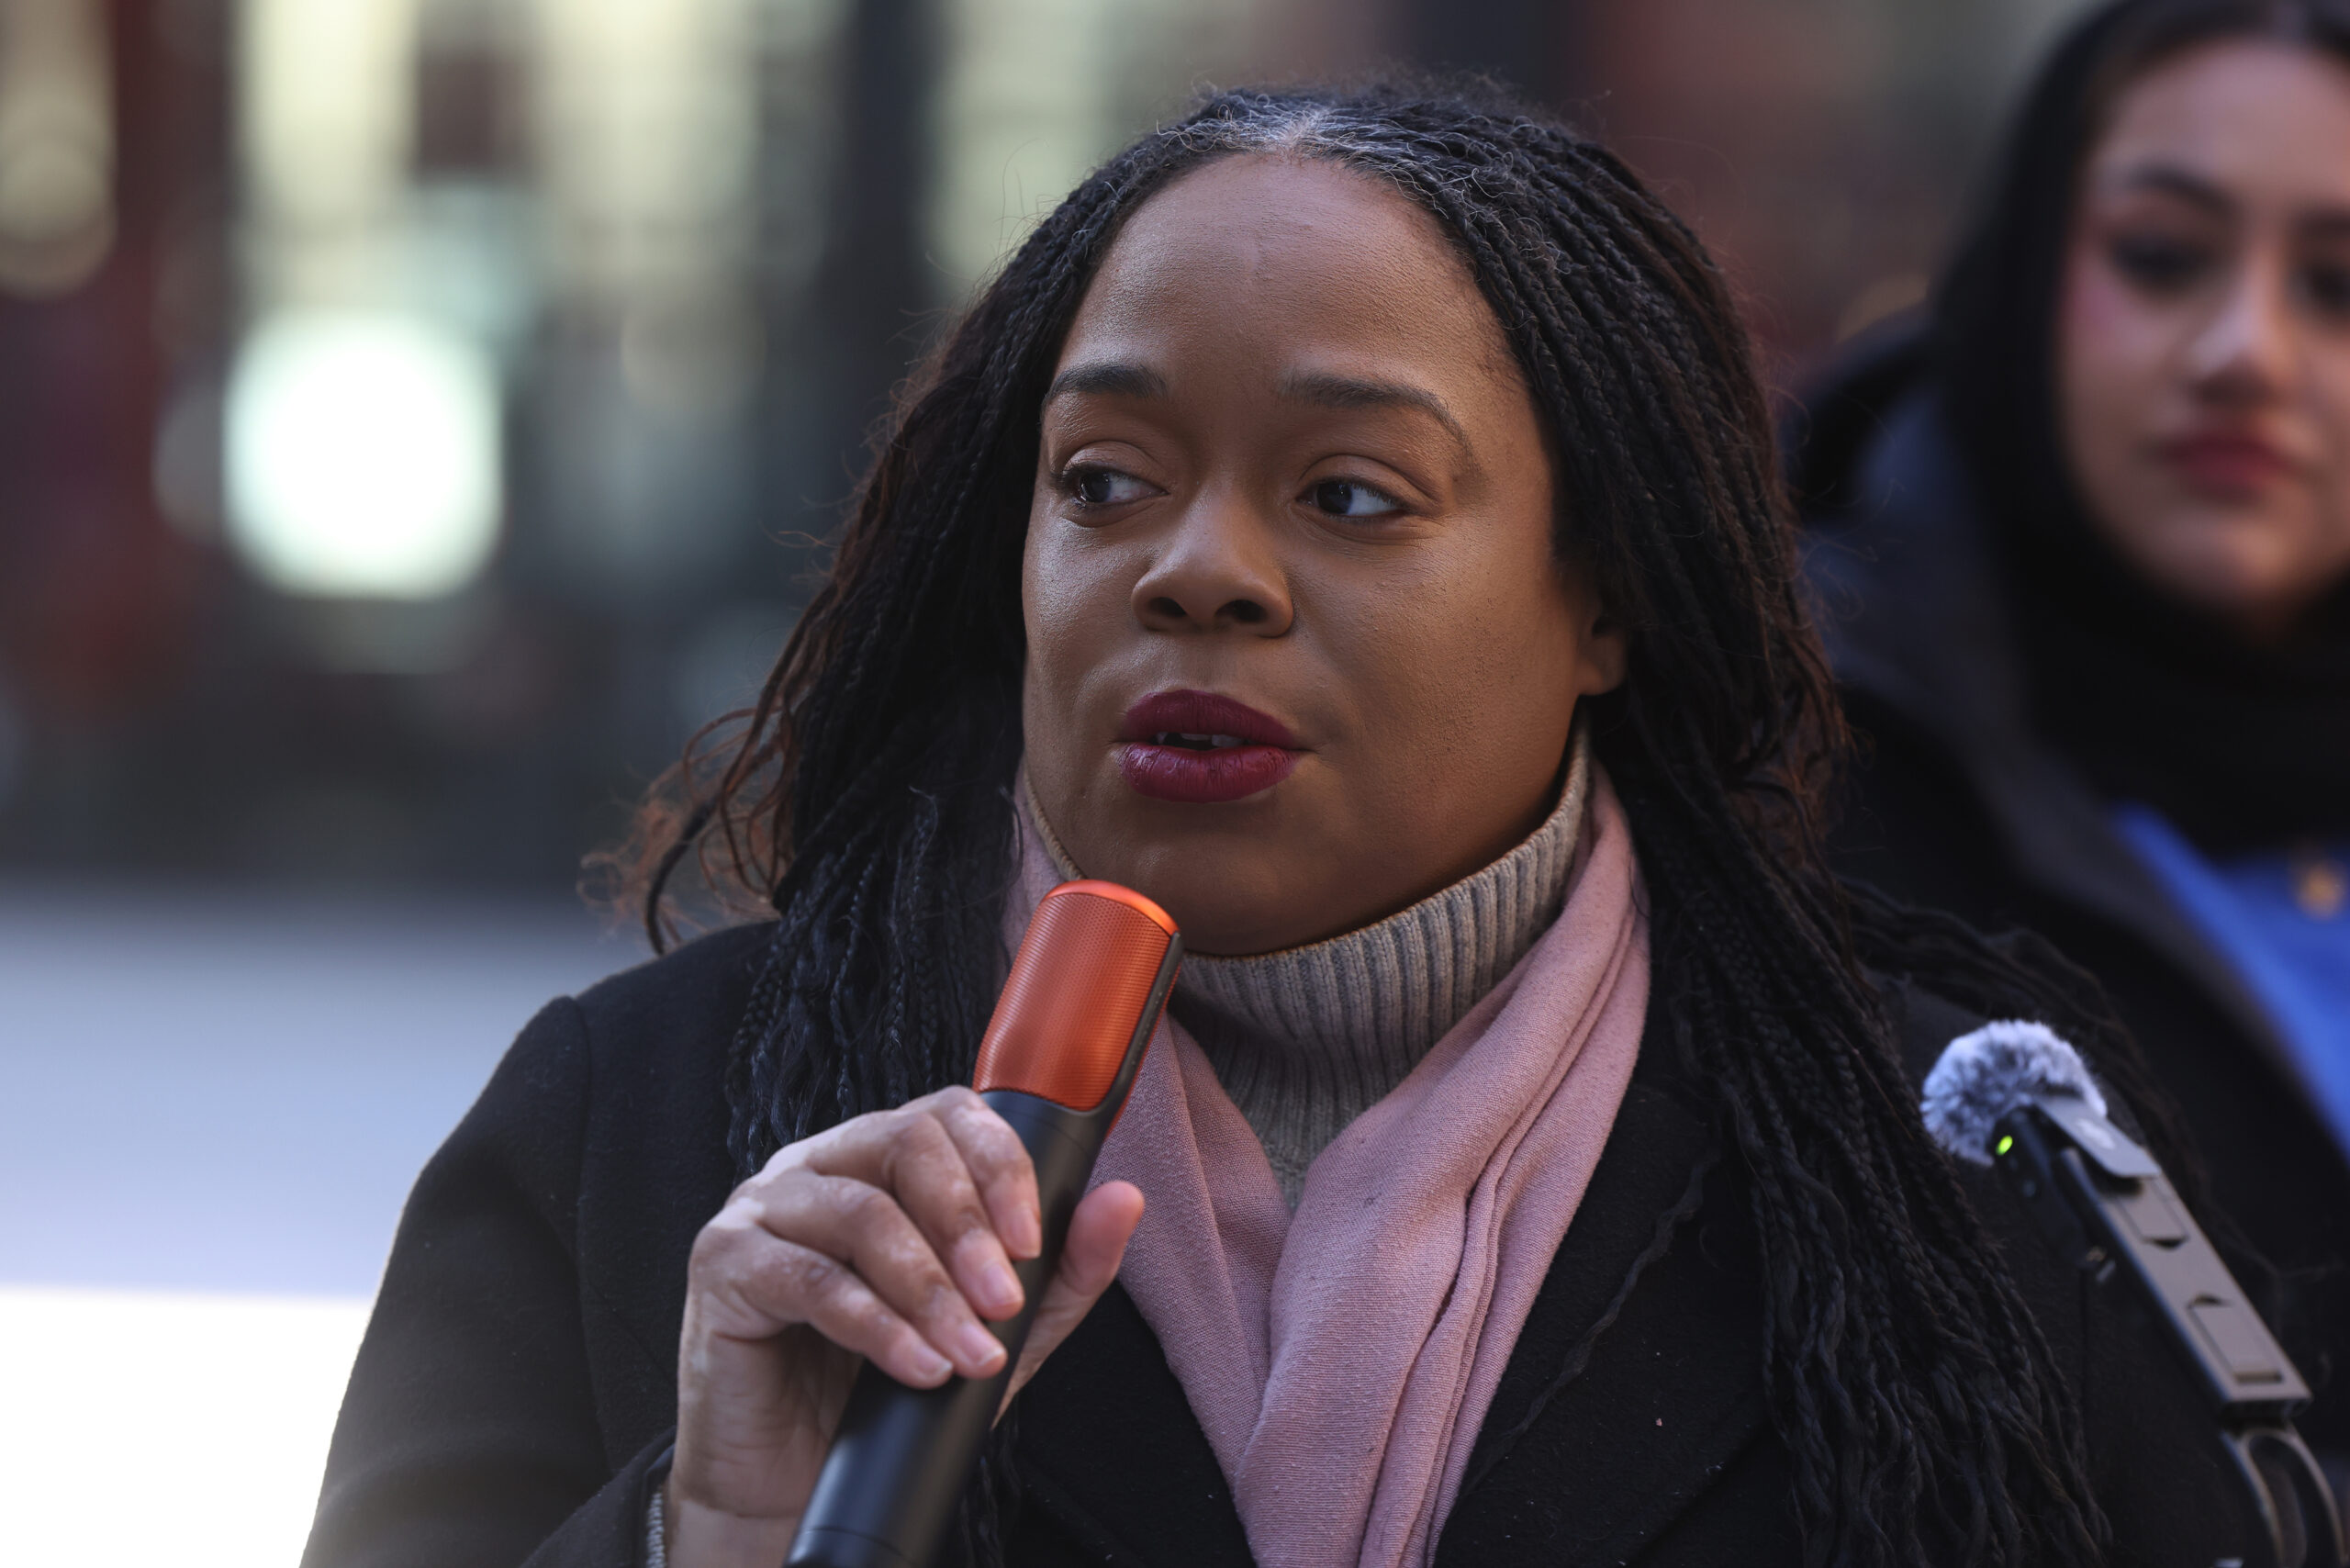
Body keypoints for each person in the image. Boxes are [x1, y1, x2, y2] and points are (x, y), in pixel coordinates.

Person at [305, 85, 2261, 1568]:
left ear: (1604, 595)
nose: (1198, 574)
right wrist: (713, 1528)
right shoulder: (648, 1130)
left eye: (1348, 497)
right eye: (1104, 480)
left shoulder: (1968, 1161)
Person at [1789, 0, 2350, 1494]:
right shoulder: (1787, 758)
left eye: (2340, 287)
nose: (2247, 350)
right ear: (2033, 261)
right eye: (2163, 256)